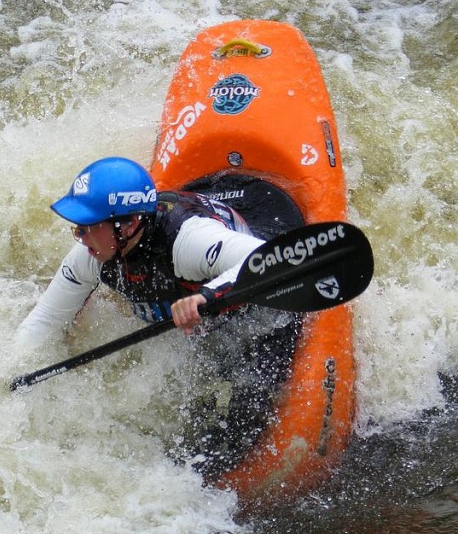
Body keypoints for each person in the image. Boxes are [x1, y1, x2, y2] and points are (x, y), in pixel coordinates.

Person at [16, 156, 301, 477]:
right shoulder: (91, 254)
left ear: (128, 224)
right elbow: (43, 321)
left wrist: (206, 297)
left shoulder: (188, 242)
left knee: (240, 428)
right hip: (208, 197)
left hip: (265, 245)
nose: (79, 236)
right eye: (76, 228)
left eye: (86, 227)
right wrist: (5, 377)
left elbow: (267, 261)